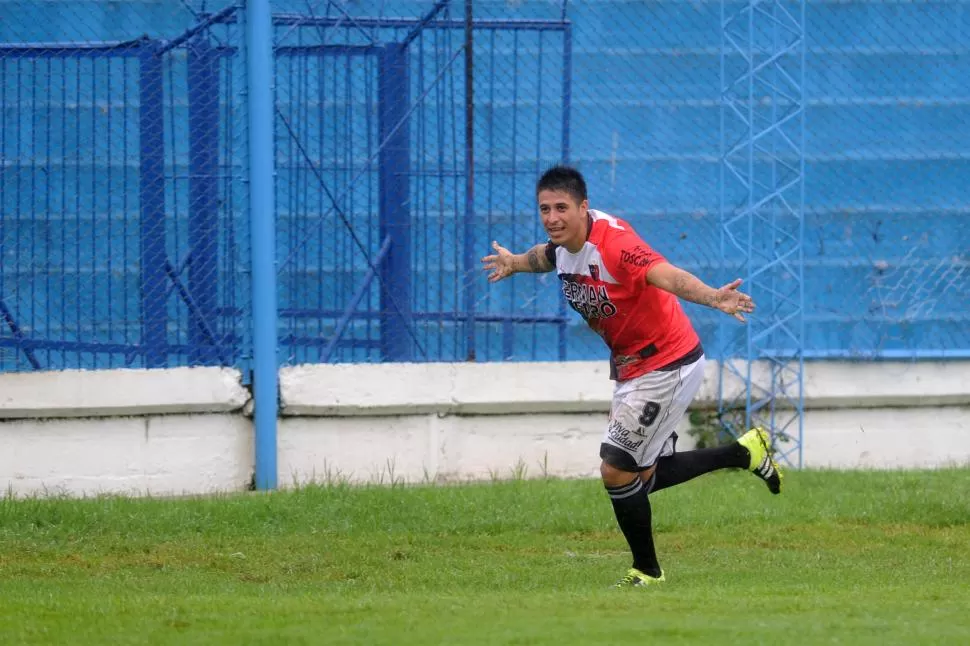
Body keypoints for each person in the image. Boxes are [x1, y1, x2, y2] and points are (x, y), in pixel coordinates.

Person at [481, 165, 782, 588]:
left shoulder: (616, 244)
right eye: (545, 209)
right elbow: (546, 257)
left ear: (584, 207)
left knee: (616, 470)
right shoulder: (564, 244)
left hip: (666, 363)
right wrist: (514, 262)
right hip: (632, 368)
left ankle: (647, 570)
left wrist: (713, 297)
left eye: (561, 208)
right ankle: (743, 453)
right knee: (643, 476)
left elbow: (667, 275)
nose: (552, 217)